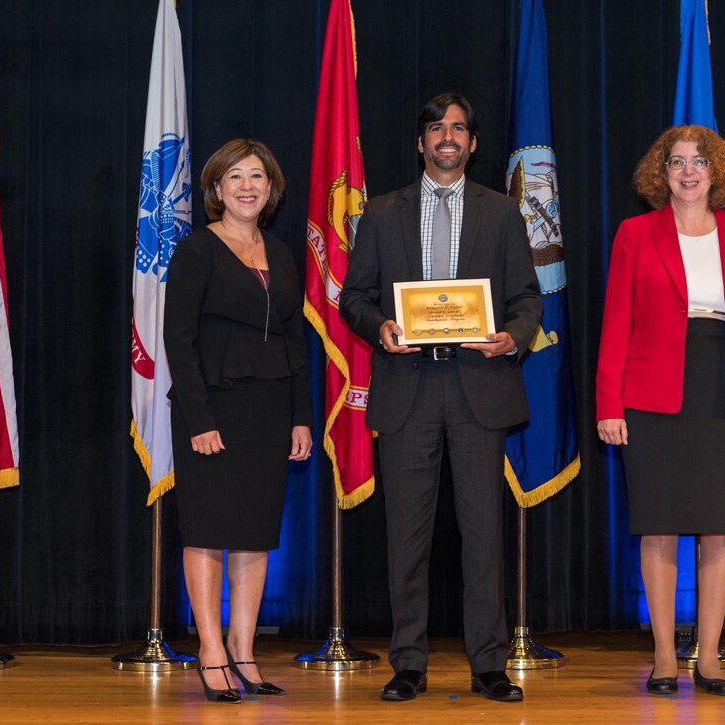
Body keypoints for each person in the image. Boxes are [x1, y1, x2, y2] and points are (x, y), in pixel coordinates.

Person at [339, 93, 542, 703]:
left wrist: (512, 337)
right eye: (436, 128)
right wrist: (381, 328)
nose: (447, 137)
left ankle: (488, 665)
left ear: (473, 144)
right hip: (409, 388)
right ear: (420, 141)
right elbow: (354, 297)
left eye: (458, 128)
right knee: (406, 535)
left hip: (480, 385)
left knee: (484, 534)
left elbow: (528, 298)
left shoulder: (504, 213)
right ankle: (409, 664)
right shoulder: (380, 213)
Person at [595, 125, 725, 697]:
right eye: (677, 162)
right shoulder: (635, 234)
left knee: (720, 526)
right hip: (651, 393)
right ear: (661, 174)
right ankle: (663, 657)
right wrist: (609, 402)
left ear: (719, 174)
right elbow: (615, 323)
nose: (689, 172)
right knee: (657, 526)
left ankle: (708, 658)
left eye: (700, 162)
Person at [163, 139, 313, 703]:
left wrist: (302, 417)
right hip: (213, 412)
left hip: (270, 413)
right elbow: (178, 339)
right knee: (207, 533)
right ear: (217, 190)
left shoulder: (281, 252)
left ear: (271, 189)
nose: (247, 186)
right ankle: (210, 653)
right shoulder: (197, 251)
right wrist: (199, 419)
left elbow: (296, 340)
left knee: (254, 537)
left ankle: (244, 652)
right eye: (235, 177)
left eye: (257, 177)